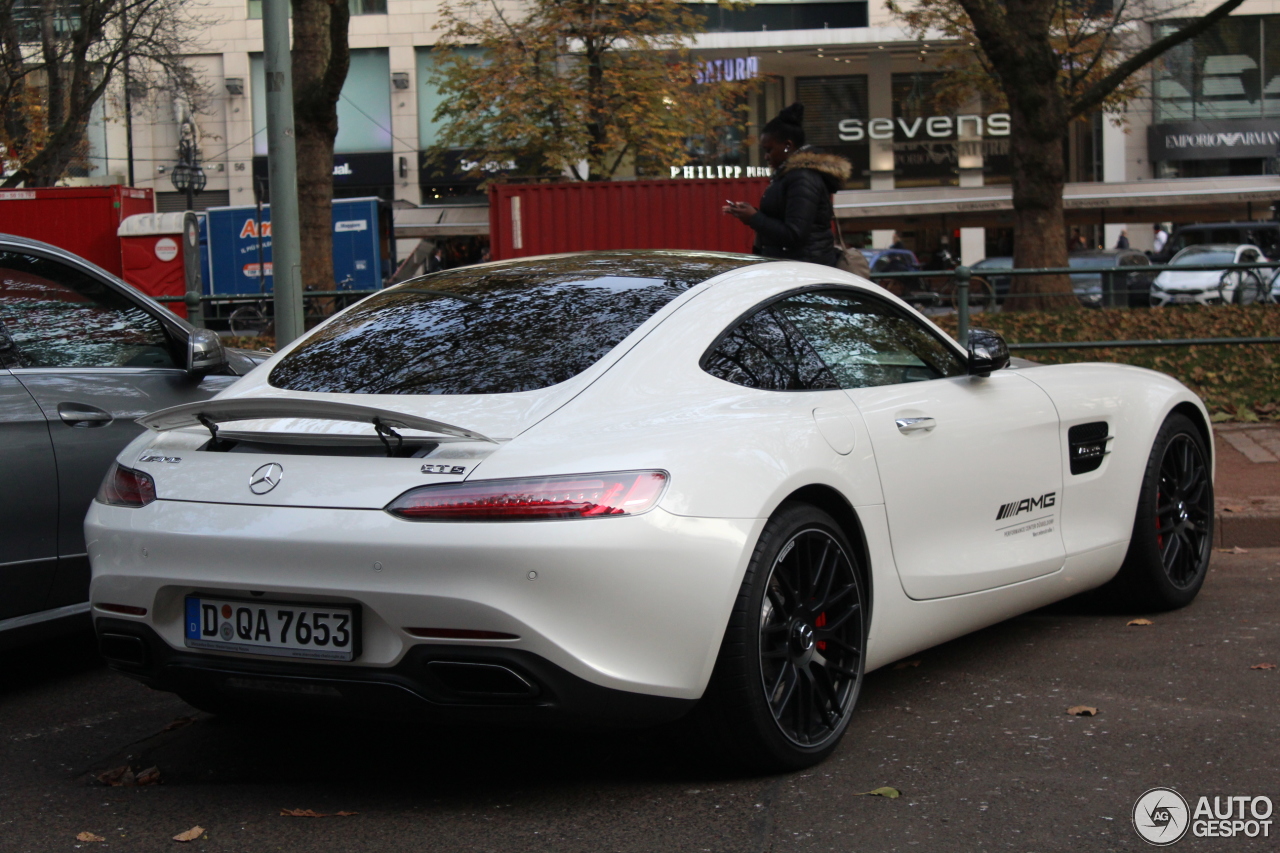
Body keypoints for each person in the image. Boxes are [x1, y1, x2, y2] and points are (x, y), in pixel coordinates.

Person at [723, 103, 851, 266]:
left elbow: (794, 234)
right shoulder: (790, 176)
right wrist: (751, 214)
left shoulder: (802, 178)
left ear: (788, 146)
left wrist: (754, 217)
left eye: (769, 150)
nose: (766, 157)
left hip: (804, 270)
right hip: (796, 266)